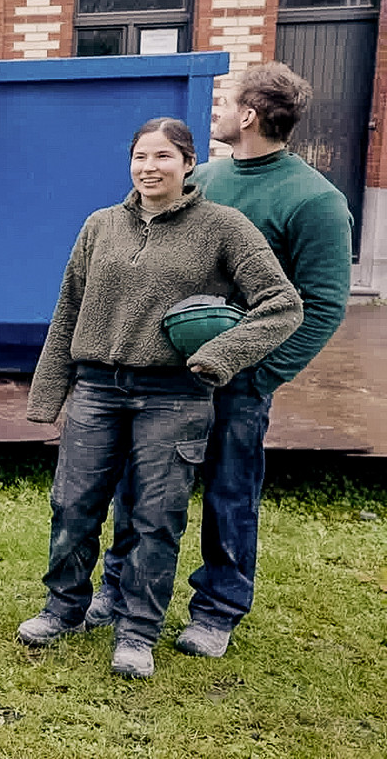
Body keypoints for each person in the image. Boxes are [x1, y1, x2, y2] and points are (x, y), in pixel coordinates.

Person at [20, 117, 302, 678]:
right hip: (97, 390)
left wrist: (220, 355)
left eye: (164, 157)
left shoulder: (224, 227)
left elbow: (282, 304)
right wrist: (48, 393)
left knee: (157, 516)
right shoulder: (100, 225)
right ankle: (64, 609)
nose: (150, 168)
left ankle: (137, 632)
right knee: (73, 505)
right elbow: (69, 308)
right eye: (141, 157)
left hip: (174, 396)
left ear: (189, 163)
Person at [90, 64, 354, 659]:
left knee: (230, 493)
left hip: (240, 382)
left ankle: (217, 610)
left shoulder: (315, 200)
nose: (217, 111)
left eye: (227, 102)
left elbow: (322, 303)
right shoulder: (203, 178)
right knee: (140, 488)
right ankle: (119, 586)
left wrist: (260, 375)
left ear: (249, 115)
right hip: (167, 377)